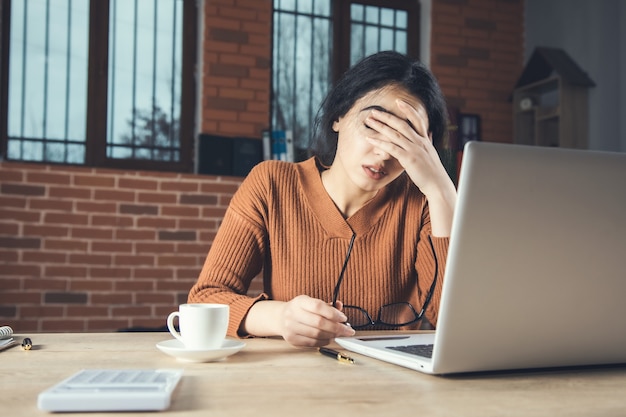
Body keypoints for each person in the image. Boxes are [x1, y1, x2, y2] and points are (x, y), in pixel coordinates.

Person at [188, 51, 457, 348]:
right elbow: (206, 298)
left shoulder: (427, 203)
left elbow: (456, 323)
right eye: (373, 125)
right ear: (338, 117)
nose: (384, 152)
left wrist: (442, 190)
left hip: (396, 385)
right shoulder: (271, 185)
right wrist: (280, 317)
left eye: (404, 136)